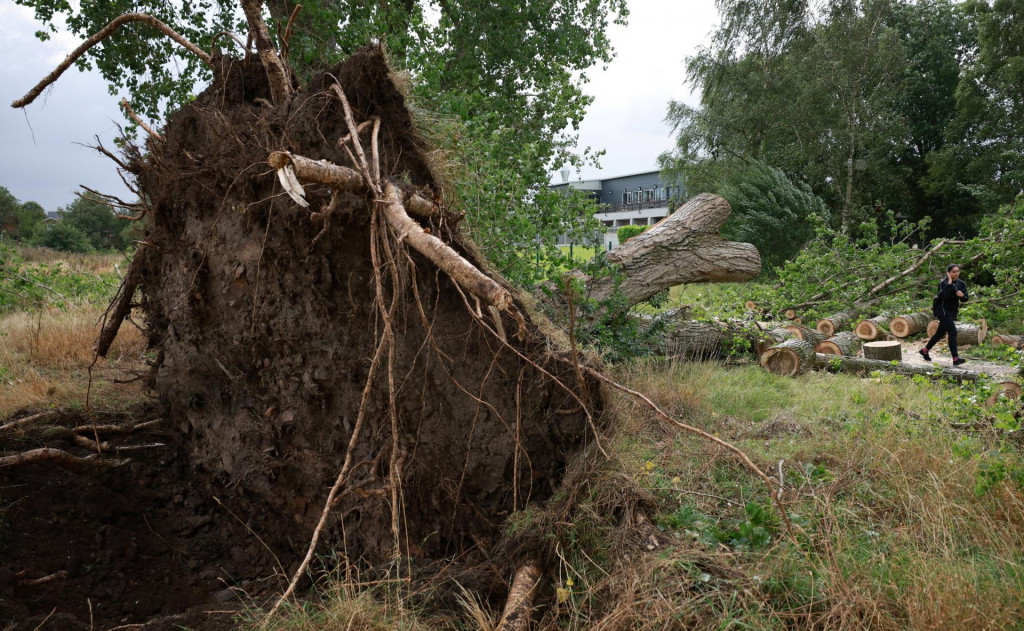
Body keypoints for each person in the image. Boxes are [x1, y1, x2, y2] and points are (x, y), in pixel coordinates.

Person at [920, 263, 969, 365]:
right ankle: (955, 358)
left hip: (952, 311)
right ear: (948, 273)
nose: (956, 273)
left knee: (939, 334)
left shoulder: (961, 284)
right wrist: (950, 283)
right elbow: (945, 296)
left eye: (957, 271)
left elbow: (966, 298)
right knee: (953, 331)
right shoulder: (943, 283)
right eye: (953, 272)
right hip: (941, 309)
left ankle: (925, 350)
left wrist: (962, 296)